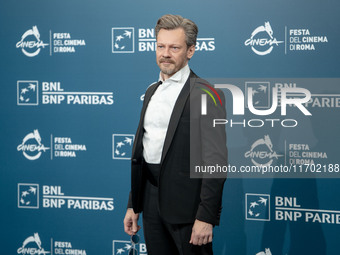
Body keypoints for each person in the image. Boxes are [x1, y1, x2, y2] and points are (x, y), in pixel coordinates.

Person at [123, 14, 228, 255]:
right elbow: (146, 151)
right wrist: (134, 204)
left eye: (174, 47)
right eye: (160, 46)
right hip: (150, 202)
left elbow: (216, 162)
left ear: (190, 51)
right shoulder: (151, 91)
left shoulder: (206, 94)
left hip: (188, 210)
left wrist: (206, 217)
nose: (165, 53)